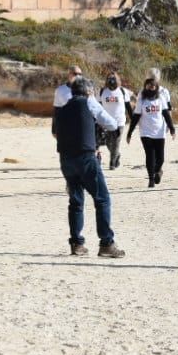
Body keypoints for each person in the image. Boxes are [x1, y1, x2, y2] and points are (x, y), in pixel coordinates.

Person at [53, 75, 125, 259]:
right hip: (85, 157)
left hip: (65, 159)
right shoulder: (89, 103)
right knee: (102, 199)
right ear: (88, 91)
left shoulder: (62, 109)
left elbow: (55, 132)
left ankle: (77, 243)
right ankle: (106, 243)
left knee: (76, 201)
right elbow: (112, 123)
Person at [125, 73, 174, 188]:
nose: (151, 87)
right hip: (146, 132)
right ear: (145, 87)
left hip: (159, 132)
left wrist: (172, 128)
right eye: (149, 85)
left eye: (153, 86)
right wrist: (129, 133)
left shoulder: (161, 98)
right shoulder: (141, 100)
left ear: (156, 87)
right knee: (150, 156)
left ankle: (158, 171)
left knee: (161, 158)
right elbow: (136, 116)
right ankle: (151, 179)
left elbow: (166, 114)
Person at [97, 72, 129, 170]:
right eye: (109, 78)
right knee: (107, 142)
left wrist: (133, 119)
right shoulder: (102, 91)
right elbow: (98, 106)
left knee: (116, 142)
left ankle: (112, 162)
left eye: (113, 78)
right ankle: (116, 155)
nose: (111, 80)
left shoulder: (123, 91)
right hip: (106, 121)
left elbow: (128, 106)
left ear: (117, 79)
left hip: (119, 121)